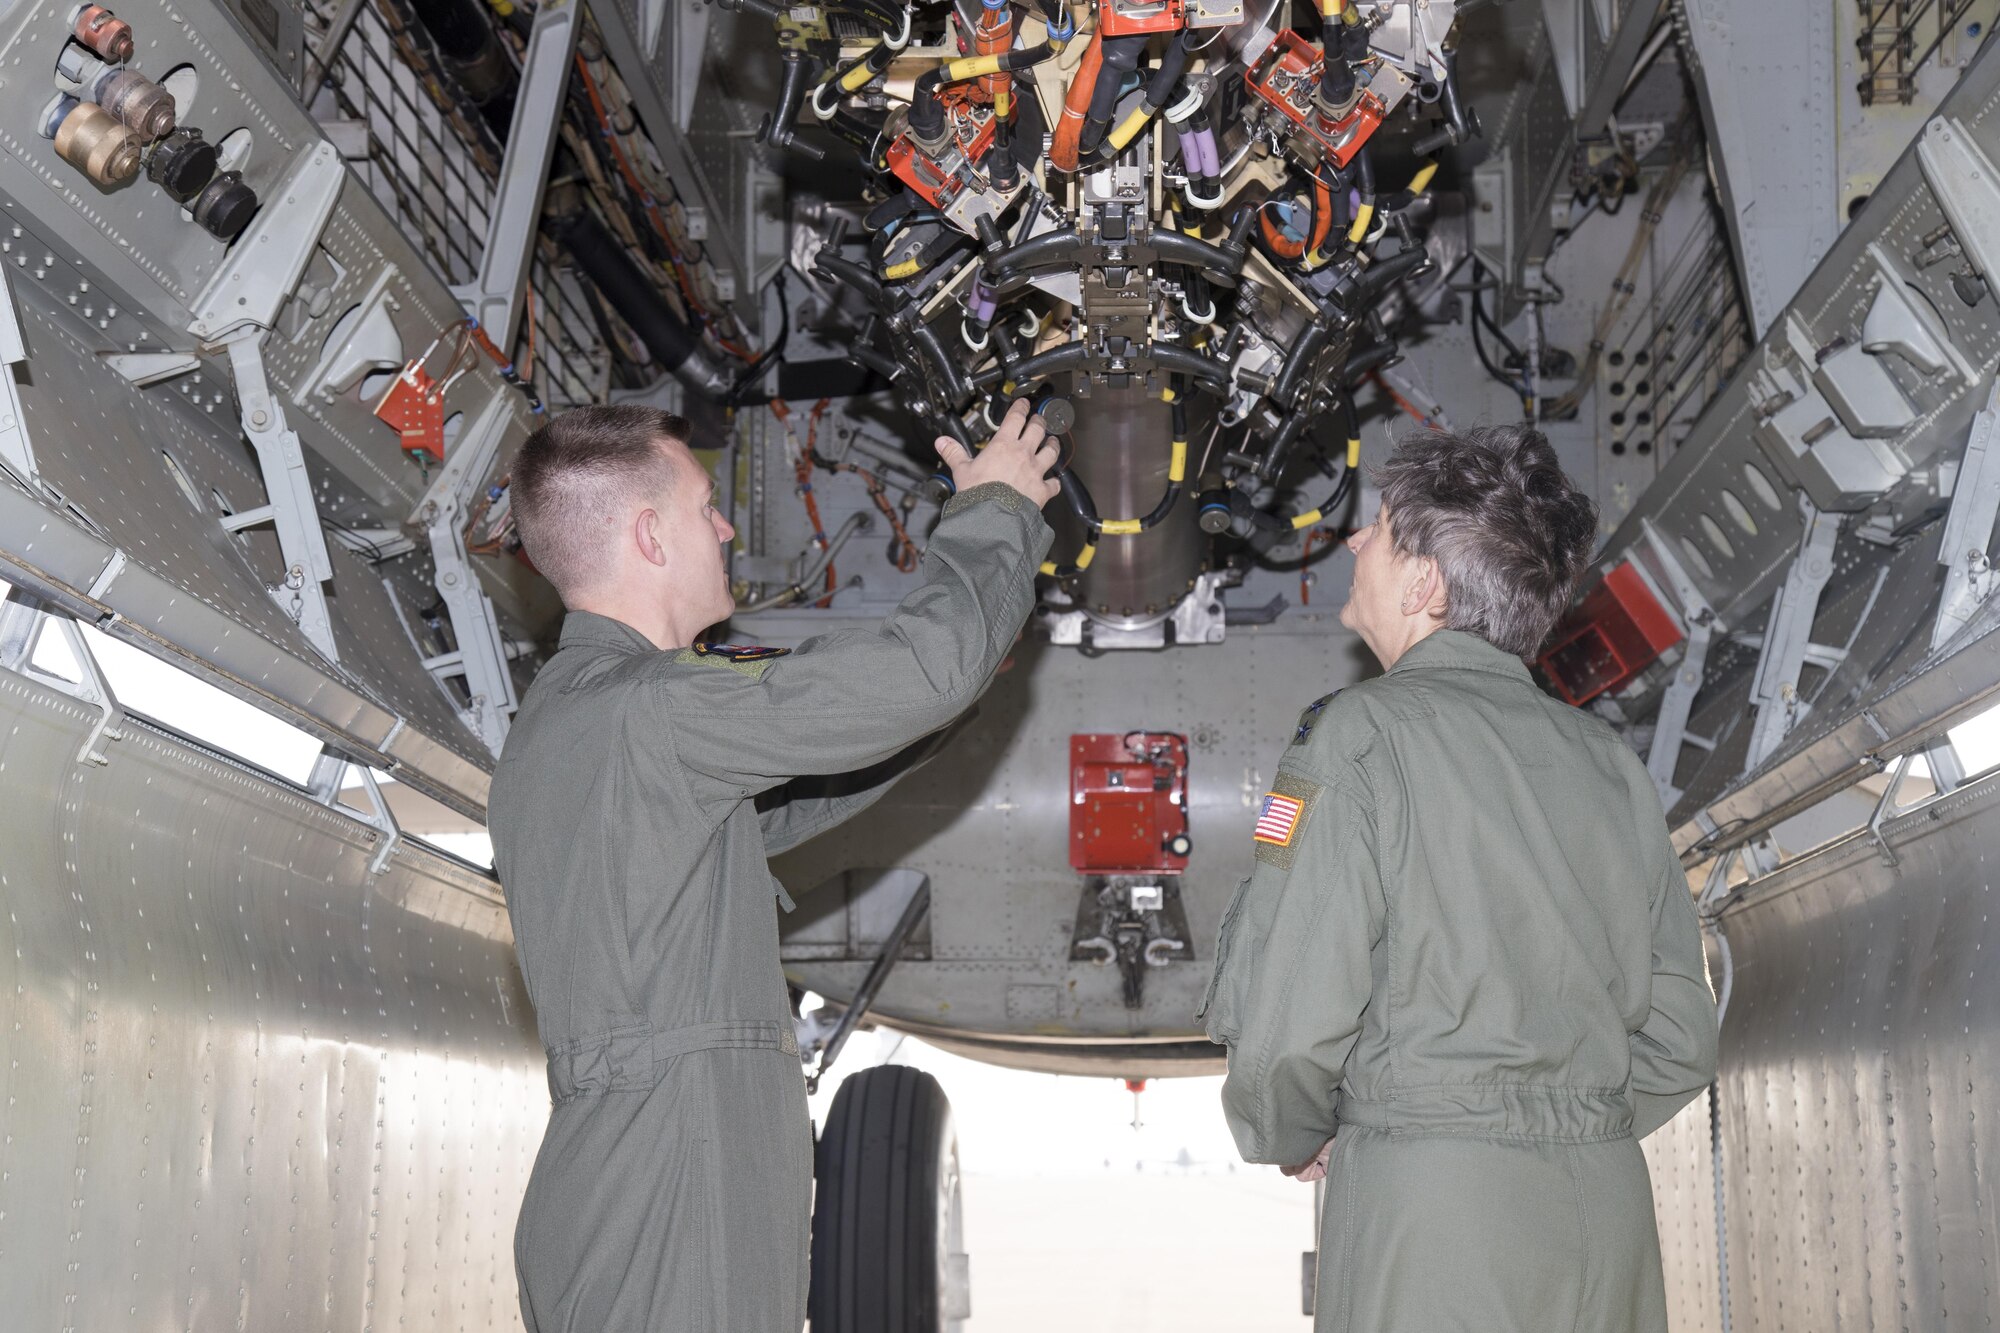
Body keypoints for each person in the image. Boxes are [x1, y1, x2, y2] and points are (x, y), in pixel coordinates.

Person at [487, 398, 1058, 1332]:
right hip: (674, 1182)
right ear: (648, 534)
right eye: (705, 506)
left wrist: (942, 699)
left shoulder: (571, 721)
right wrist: (994, 512)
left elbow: (793, 797)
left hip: (639, 1180)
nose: (724, 526)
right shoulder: (653, 710)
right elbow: (912, 673)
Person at [1200, 425, 1718, 1332]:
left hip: (1438, 1219)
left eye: (1379, 531)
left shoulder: (1361, 737)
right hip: (1608, 1217)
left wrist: (1293, 1130)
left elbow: (1289, 1027)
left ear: (1425, 583)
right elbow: (1680, 1037)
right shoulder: (1609, 765)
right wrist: (1557, 1120)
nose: (1355, 543)